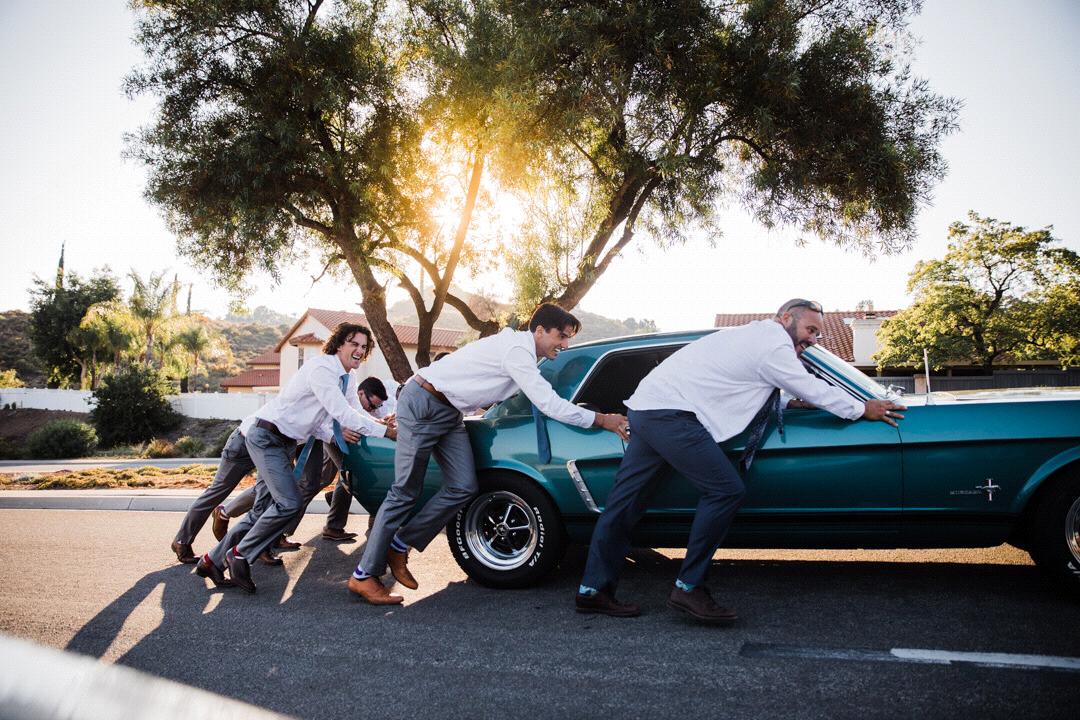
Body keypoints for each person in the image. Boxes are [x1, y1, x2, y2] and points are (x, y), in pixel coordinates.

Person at [575, 299, 907, 623]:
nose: (814, 339)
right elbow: (807, 385)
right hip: (671, 416)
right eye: (810, 330)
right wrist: (862, 408)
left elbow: (749, 381)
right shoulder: (774, 343)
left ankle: (592, 590)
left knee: (624, 504)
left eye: (818, 333)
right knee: (725, 490)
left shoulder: (754, 335)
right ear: (785, 319)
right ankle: (688, 587)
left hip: (647, 409)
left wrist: (789, 402)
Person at [348, 304, 631, 605]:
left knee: (463, 486)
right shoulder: (517, 351)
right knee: (405, 491)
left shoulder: (523, 355)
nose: (565, 345)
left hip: (449, 411)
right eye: (561, 336)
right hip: (425, 402)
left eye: (568, 338)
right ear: (539, 331)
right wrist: (602, 420)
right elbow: (548, 403)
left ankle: (400, 545)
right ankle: (364, 575)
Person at [196, 322, 396, 593]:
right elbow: (343, 414)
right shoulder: (322, 369)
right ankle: (239, 555)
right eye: (354, 344)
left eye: (364, 346)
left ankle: (210, 561)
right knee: (289, 502)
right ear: (339, 344)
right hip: (266, 436)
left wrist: (380, 422)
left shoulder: (347, 378)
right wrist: (386, 433)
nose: (359, 350)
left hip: (286, 443)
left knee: (261, 511)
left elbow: (352, 412)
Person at [212, 376, 394, 544]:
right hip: (293, 435)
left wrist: (378, 424)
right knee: (279, 486)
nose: (372, 410)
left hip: (317, 436)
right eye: (372, 405)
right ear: (361, 393)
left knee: (319, 481)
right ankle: (233, 519)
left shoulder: (348, 382)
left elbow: (353, 415)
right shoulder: (327, 378)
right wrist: (341, 432)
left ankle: (297, 531)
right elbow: (333, 417)